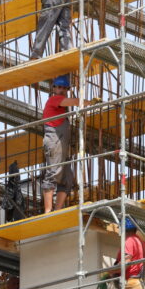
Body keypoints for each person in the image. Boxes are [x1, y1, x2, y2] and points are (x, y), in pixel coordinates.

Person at [40, 75, 92, 213]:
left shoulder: (62, 108)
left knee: (67, 178)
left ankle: (57, 210)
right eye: (59, 87)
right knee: (53, 173)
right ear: (54, 88)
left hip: (61, 144)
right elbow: (74, 101)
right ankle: (48, 211)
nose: (62, 90)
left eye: (65, 88)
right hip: (54, 141)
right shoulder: (54, 100)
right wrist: (88, 102)